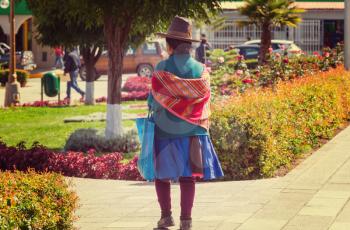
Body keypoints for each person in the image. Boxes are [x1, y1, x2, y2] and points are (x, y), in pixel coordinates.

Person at [148, 16, 224, 230]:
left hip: (165, 130)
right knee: (188, 177)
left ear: (169, 44)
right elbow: (205, 98)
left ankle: (165, 217)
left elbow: (153, 100)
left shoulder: (161, 68)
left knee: (162, 176)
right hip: (193, 131)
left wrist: (166, 104)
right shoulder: (201, 70)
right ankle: (186, 221)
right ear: (189, 46)